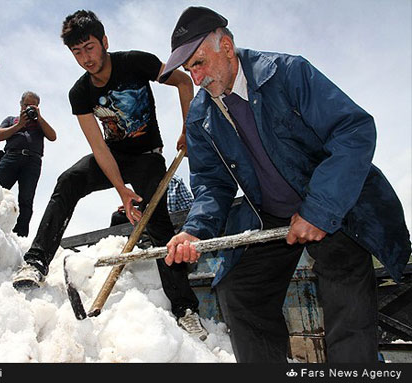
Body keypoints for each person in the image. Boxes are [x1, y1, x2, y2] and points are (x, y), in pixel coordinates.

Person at [162, 6, 411, 362]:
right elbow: (211, 185)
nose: (196, 78)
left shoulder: (287, 73)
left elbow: (353, 130)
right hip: (272, 217)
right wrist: (194, 231)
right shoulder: (201, 116)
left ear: (227, 48)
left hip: (333, 203)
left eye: (199, 63)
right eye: (189, 70)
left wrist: (319, 211)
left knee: (343, 283)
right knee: (241, 291)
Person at [13, 10, 207, 340]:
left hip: (147, 158)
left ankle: (185, 308)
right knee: (68, 180)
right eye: (77, 52)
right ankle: (36, 261)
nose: (85, 58)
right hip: (113, 157)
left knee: (157, 221)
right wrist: (121, 190)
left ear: (104, 42)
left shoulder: (136, 63)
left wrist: (189, 129)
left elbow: (183, 81)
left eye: (89, 47)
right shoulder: (80, 94)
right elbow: (100, 148)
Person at [0, 91, 57, 237]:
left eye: (33, 106)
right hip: (11, 157)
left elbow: (53, 136)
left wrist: (39, 118)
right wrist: (19, 125)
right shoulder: (11, 119)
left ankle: (20, 235)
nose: (29, 108)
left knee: (26, 200)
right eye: (27, 105)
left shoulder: (40, 123)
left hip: (32, 162)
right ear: (21, 105)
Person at [110, 173, 193, 226]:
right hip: (150, 214)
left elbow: (169, 207)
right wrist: (130, 206)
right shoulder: (145, 181)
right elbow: (145, 200)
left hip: (172, 219)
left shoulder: (170, 180)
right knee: (117, 217)